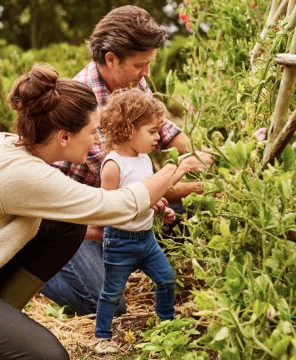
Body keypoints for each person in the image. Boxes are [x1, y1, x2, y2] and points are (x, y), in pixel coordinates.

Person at [0, 64, 211, 359]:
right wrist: (176, 169)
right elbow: (115, 207)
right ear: (64, 136)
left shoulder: (6, 144)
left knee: (65, 226)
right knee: (49, 356)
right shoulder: (21, 174)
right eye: (92, 131)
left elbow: (93, 210)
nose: (97, 140)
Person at [41, 5, 202, 316]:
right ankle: (40, 268)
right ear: (111, 59)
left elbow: (170, 133)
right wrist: (198, 185)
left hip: (114, 212)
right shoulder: (85, 106)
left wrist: (201, 155)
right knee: (109, 304)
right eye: (141, 65)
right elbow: (136, 190)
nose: (147, 74)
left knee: (181, 215)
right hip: (74, 223)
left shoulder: (129, 83)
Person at [93, 89, 181, 354]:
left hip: (146, 239)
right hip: (120, 241)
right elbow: (111, 208)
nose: (158, 138)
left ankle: (166, 323)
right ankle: (101, 336)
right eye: (152, 131)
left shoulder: (144, 160)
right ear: (130, 130)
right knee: (112, 293)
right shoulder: (113, 165)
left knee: (166, 279)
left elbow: (146, 194)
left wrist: (158, 206)